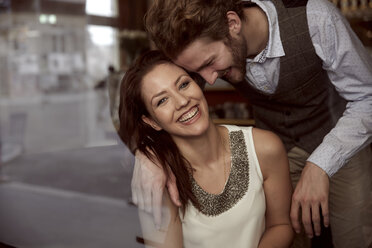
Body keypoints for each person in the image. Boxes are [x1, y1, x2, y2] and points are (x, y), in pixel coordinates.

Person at [131, 0, 372, 247]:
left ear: (232, 23)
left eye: (210, 62)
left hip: (341, 138)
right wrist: (147, 152)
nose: (209, 80)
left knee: (355, 234)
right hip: (277, 151)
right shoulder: (204, 49)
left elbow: (367, 97)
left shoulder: (318, 19)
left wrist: (320, 163)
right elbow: (155, 93)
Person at [118, 50, 294, 247]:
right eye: (162, 100)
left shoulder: (265, 148)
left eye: (183, 84)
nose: (183, 101)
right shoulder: (156, 179)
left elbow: (280, 225)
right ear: (151, 121)